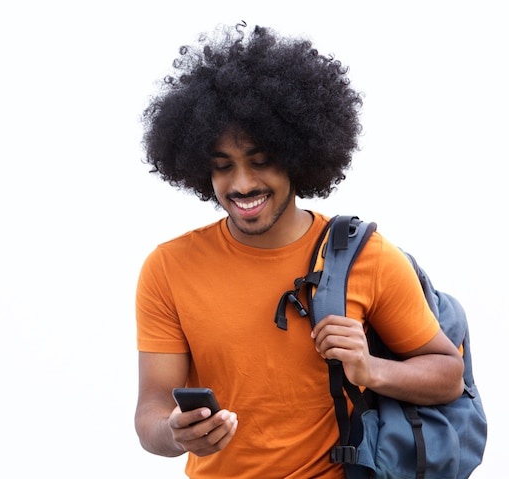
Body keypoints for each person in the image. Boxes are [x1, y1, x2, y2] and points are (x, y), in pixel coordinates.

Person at [134, 23, 464, 479]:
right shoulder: (168, 268)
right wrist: (175, 431)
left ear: (297, 154)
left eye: (261, 161)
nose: (242, 184)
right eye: (222, 166)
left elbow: (448, 374)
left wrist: (371, 369)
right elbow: (150, 411)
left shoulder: (365, 255)